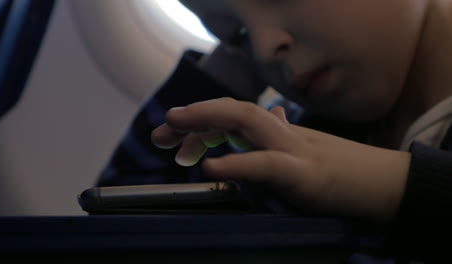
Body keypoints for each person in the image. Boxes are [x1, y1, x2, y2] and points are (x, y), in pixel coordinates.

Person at [98, 0, 452, 261]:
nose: (264, 50)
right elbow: (118, 233)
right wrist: (222, 75)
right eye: (236, 36)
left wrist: (400, 188)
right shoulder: (295, 136)